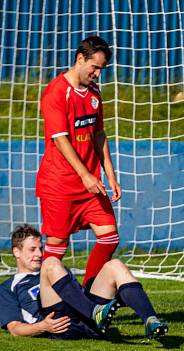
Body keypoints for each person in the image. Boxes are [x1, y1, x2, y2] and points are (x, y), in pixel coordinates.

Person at [36, 36, 121, 288]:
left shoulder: (94, 93)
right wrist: (85, 175)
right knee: (56, 248)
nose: (97, 74)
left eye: (101, 69)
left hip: (90, 184)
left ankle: (89, 298)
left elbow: (98, 134)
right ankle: (45, 304)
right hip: (59, 184)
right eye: (94, 67)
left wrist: (110, 175)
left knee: (109, 237)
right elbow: (61, 140)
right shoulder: (56, 92)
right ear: (80, 59)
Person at [0, 225, 168, 340]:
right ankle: (94, 313)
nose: (38, 254)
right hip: (61, 324)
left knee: (114, 265)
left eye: (40, 249)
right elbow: (15, 328)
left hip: (88, 318)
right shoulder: (8, 288)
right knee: (51, 263)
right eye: (32, 249)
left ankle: (150, 320)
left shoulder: (55, 269)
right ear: (16, 252)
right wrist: (43, 326)